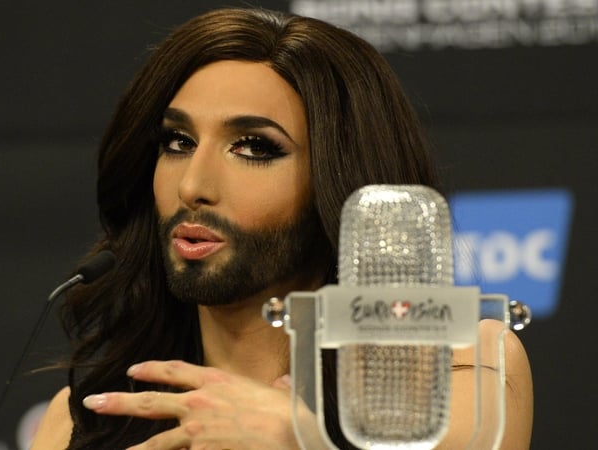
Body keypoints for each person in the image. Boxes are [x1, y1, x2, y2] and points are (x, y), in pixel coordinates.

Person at [31, 7, 533, 450]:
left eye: (254, 148)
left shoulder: (460, 373)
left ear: (338, 178)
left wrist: (303, 443)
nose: (192, 186)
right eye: (178, 142)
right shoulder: (81, 422)